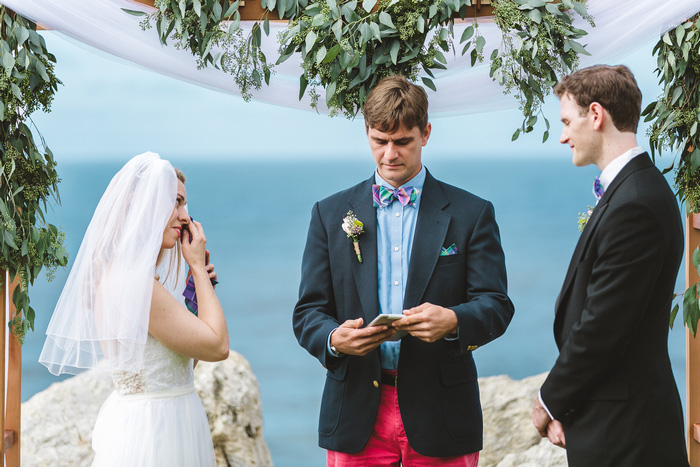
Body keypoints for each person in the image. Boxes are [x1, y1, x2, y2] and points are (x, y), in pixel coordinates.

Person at [293, 75, 514, 465]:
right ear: (367, 134)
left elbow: (496, 306)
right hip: (357, 411)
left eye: (403, 142)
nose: (390, 154)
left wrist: (453, 320)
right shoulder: (329, 215)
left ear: (425, 133)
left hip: (442, 412)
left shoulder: (472, 213)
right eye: (380, 141)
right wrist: (333, 339)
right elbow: (308, 312)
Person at [531, 65, 689, 467]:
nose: (563, 135)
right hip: (614, 421)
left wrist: (549, 401)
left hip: (629, 435)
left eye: (567, 121)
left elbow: (604, 325)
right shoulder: (634, 191)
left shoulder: (635, 202)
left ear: (596, 115)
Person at [39, 152, 229, 466]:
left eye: (184, 204)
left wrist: (195, 298)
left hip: (167, 418)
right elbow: (219, 347)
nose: (185, 216)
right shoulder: (135, 283)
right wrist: (196, 268)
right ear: (143, 206)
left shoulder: (130, 278)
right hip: (154, 431)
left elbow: (182, 365)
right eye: (176, 202)